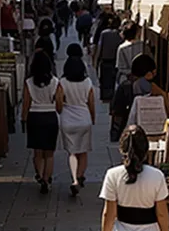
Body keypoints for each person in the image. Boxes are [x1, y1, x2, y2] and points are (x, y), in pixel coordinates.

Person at [56, 49, 95, 196]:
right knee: (83, 151)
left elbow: (59, 102)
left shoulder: (62, 82)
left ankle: (74, 180)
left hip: (68, 120)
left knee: (72, 153)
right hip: (84, 119)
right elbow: (91, 102)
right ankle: (80, 176)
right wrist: (92, 117)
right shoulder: (88, 82)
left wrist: (61, 111)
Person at [110, 54, 169, 143]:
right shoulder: (155, 89)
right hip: (153, 134)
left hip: (129, 135)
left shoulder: (124, 87)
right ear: (148, 74)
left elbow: (116, 113)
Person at [21, 51, 59, 194]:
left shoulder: (29, 83)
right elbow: (59, 101)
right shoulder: (55, 82)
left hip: (34, 117)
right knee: (49, 153)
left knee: (37, 152)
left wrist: (23, 119)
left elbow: (26, 103)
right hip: (50, 117)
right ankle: (47, 178)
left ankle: (40, 177)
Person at [95, 16, 123, 102]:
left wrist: (96, 60)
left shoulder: (104, 33)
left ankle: (106, 96)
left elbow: (100, 47)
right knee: (114, 80)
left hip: (106, 60)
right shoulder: (120, 35)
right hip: (116, 60)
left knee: (105, 80)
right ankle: (113, 96)